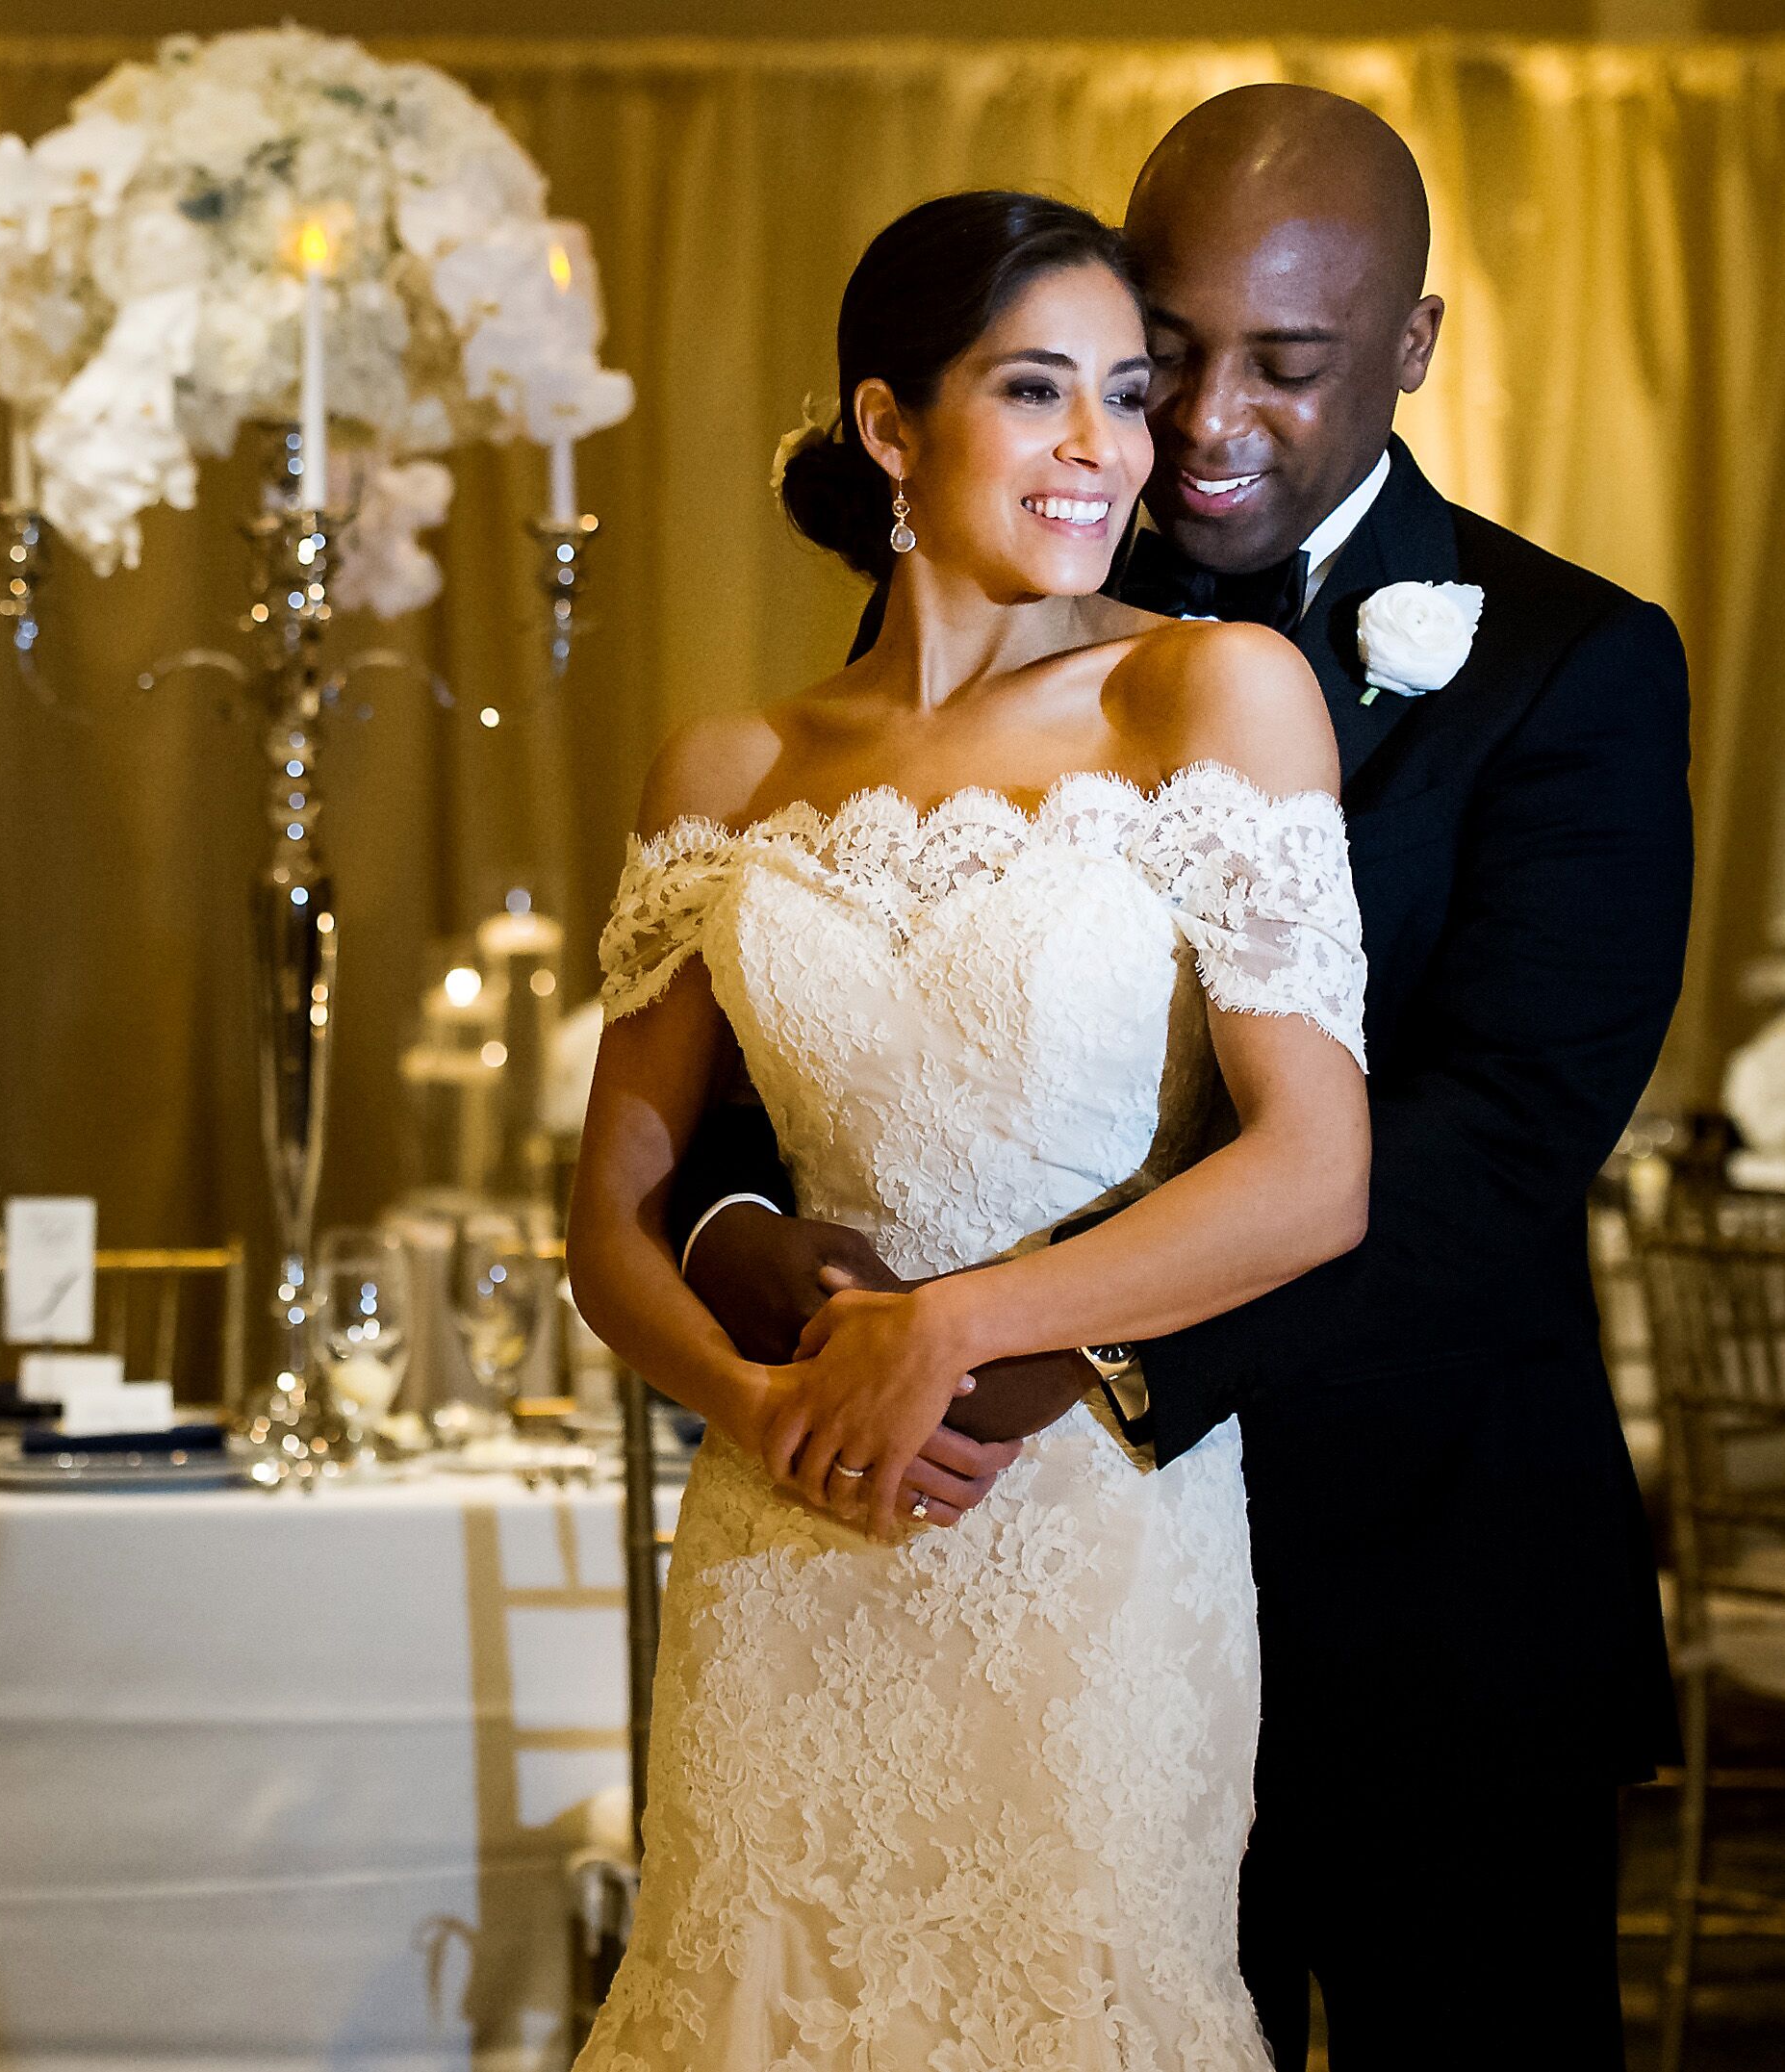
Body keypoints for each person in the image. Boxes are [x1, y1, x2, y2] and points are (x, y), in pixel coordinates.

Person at [665, 88, 1689, 2068]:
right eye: (1171, 347)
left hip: (1412, 1600)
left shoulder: (1571, 664)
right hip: (1002, 1598)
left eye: (1288, 365)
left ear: (1409, 351)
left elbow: (1494, 1141)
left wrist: (1053, 1354)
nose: (1206, 417)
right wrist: (762, 1259)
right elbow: (778, 1013)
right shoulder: (987, 609)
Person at [569, 186, 1364, 2068]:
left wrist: (958, 1324)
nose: (1109, 448)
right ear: (886, 425)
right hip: (784, 1532)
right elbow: (610, 1213)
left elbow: (1312, 1172)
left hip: (1082, 1524)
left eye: (1125, 394)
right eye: (1037, 391)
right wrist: (754, 1405)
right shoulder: (730, 767)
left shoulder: (1208, 693)